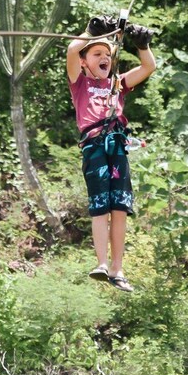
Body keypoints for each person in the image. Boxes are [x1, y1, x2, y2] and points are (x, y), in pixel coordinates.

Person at [67, 16, 156, 292]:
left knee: (120, 206)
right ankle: (102, 264)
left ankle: (118, 269)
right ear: (84, 61)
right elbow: (72, 49)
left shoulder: (117, 84)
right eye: (96, 53)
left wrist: (142, 45)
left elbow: (148, 66)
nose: (104, 57)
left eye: (107, 54)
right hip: (94, 146)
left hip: (117, 145)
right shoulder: (79, 82)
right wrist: (91, 32)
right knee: (100, 207)